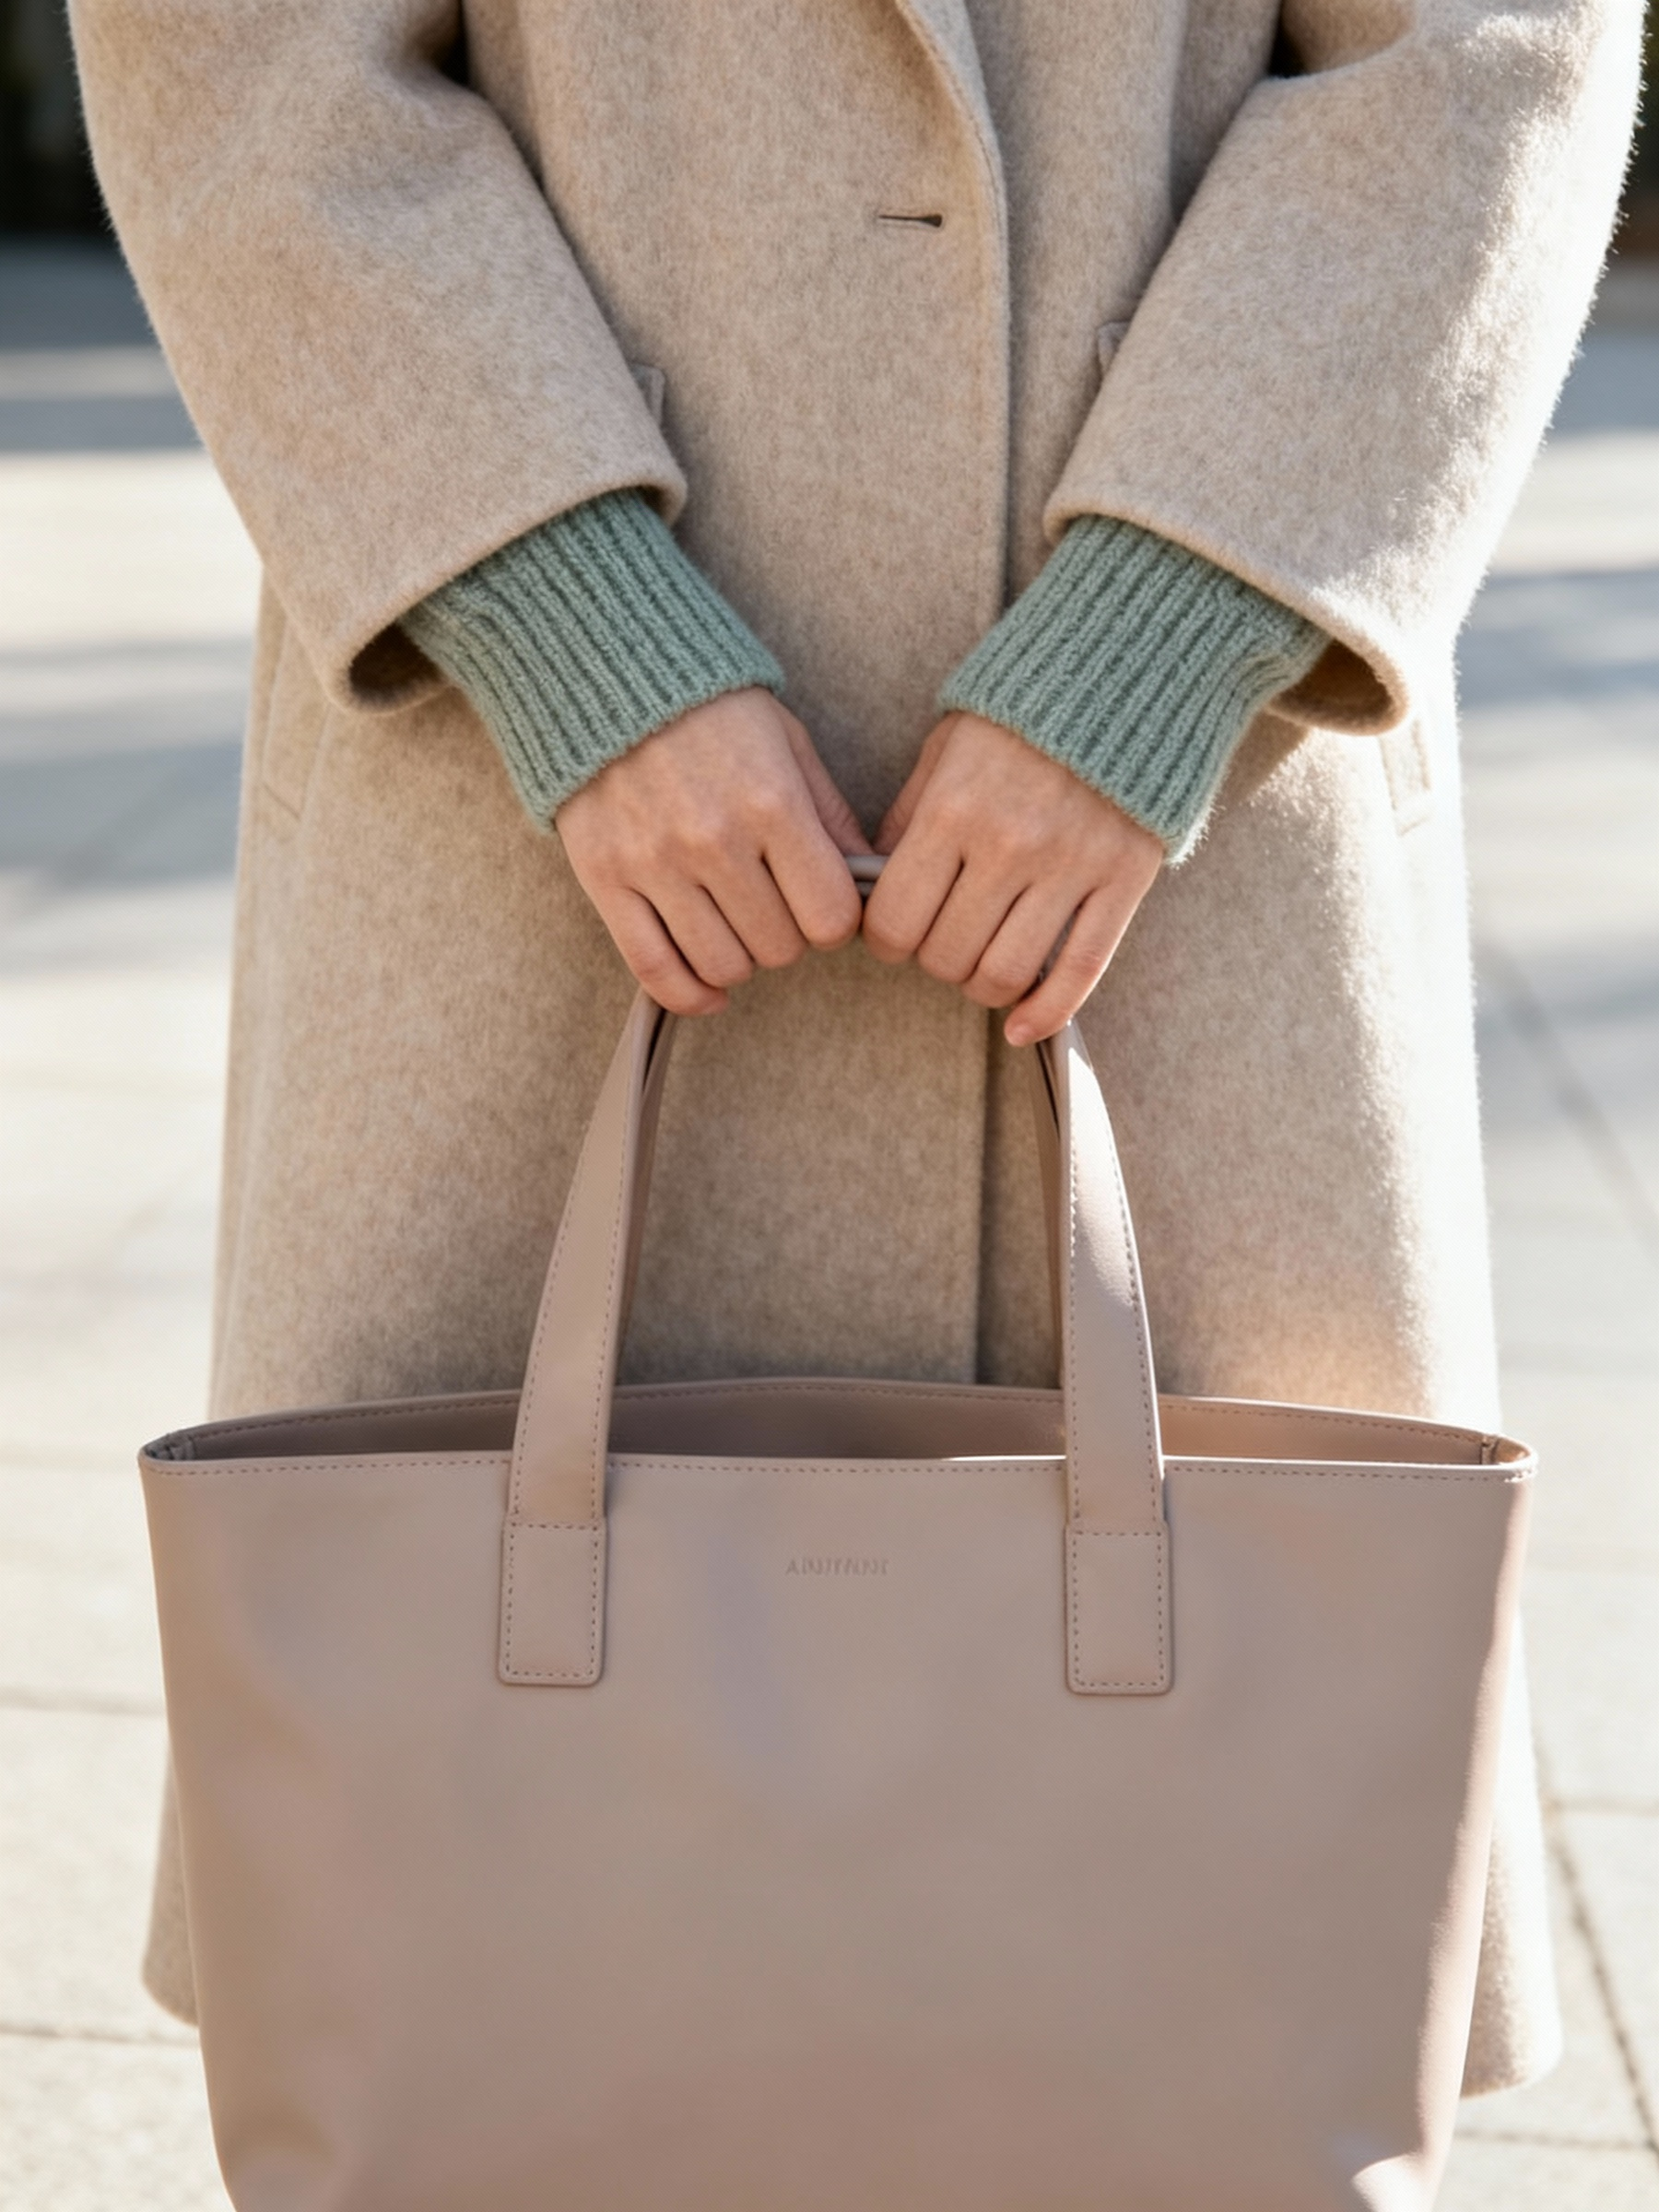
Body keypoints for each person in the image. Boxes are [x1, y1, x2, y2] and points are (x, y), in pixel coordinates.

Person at [73, 0, 1638, 2100]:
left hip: (1188, 816)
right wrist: (557, 606)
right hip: (519, 803)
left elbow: (1483, 43)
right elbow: (243, 58)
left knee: (1200, 2010)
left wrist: (1176, 614)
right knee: (493, 2015)